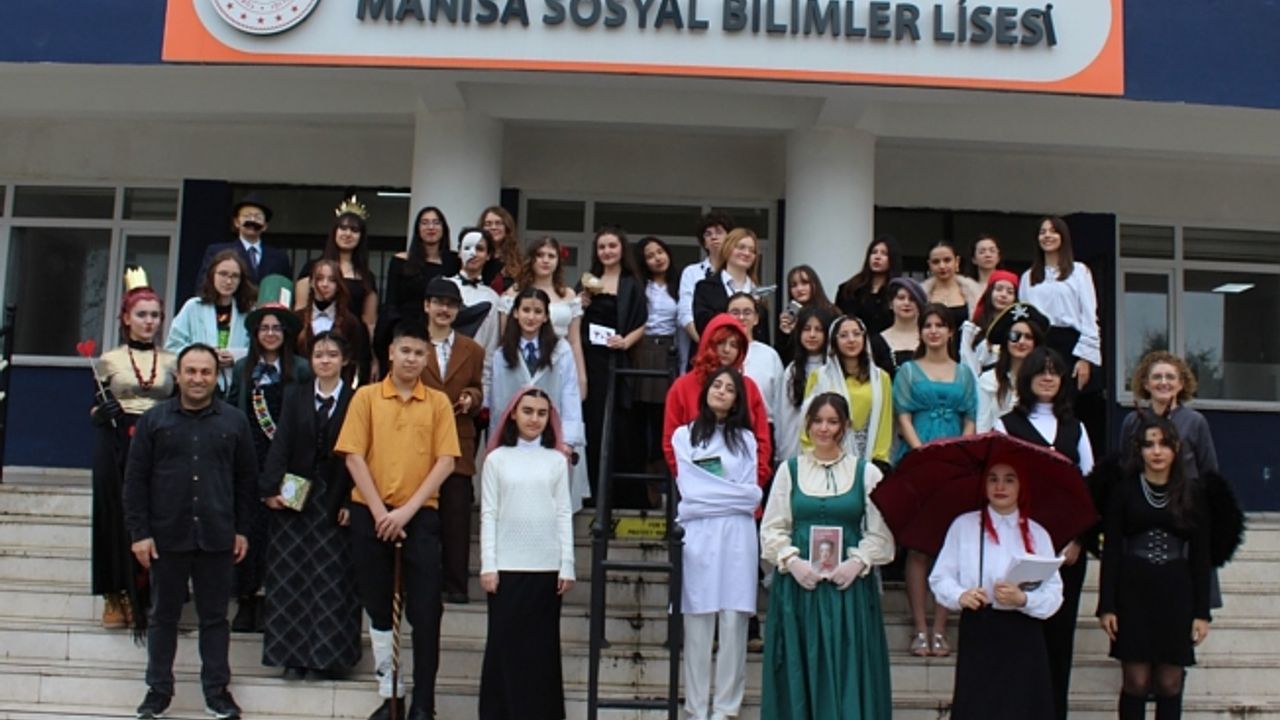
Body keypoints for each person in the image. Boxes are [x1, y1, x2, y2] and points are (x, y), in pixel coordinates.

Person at [335, 321, 461, 720]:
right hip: (371, 513)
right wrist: (380, 513)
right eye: (405, 351)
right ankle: (392, 693)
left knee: (426, 612)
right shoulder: (367, 397)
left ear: (427, 359)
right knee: (378, 608)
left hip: (419, 515)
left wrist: (406, 511)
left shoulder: (438, 403)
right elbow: (353, 456)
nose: (411, 359)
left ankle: (424, 703)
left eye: (419, 353)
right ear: (391, 352)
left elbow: (446, 462)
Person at [123, 344, 256, 720]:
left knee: (215, 618)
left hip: (217, 535)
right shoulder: (154, 421)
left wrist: (243, 530)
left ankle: (217, 693)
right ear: (178, 375)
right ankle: (158, 692)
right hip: (166, 536)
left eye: (206, 372)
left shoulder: (234, 422)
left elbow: (246, 481)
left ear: (216, 377)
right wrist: (139, 533)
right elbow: (135, 481)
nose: (198, 379)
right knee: (163, 616)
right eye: (191, 371)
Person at [759, 392, 894, 720]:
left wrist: (857, 562)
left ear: (845, 426)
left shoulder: (866, 473)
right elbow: (772, 527)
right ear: (807, 425)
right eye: (818, 421)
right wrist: (792, 561)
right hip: (798, 589)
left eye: (832, 422)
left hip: (848, 592)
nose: (824, 428)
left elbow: (881, 534)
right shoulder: (790, 470)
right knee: (799, 663)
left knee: (848, 664)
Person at [994, 347, 1094, 720]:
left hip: (1066, 549)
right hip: (1019, 546)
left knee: (1059, 641)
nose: (1048, 378)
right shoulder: (1006, 425)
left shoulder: (1076, 428)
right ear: (1027, 378)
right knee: (1019, 639)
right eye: (1041, 371)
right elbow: (998, 486)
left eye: (1055, 372)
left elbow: (1089, 488)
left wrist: (1078, 540)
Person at [259, 331, 362, 679]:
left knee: (332, 578)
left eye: (332, 354)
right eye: (319, 355)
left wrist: (352, 499)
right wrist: (270, 488)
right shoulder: (296, 395)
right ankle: (292, 656)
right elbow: (282, 442)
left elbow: (364, 453)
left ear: (344, 360)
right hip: (296, 490)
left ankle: (327, 659)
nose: (325, 360)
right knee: (290, 575)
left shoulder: (358, 399)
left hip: (336, 495)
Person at [929, 458, 1064, 720]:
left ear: (1021, 486)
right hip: (980, 627)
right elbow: (940, 577)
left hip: (1023, 631)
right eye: (993, 479)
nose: (1000, 486)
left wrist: (1023, 599)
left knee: (1022, 705)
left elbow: (1054, 592)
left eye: (1009, 480)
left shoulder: (1037, 533)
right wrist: (961, 595)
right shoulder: (964, 526)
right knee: (978, 705)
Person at [1098, 416, 1211, 720]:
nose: (1157, 451)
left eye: (1163, 444)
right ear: (1139, 450)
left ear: (1176, 448)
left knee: (1170, 682)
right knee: (1136, 681)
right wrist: (1107, 605)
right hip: (1133, 589)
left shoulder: (1192, 493)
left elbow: (1201, 556)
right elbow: (1111, 550)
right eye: (1149, 445)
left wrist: (1202, 612)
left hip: (1176, 590)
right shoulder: (1123, 491)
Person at [478, 388, 575, 720]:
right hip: (506, 569)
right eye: (528, 411)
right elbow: (489, 513)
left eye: (542, 413)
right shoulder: (496, 460)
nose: (534, 419)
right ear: (513, 414)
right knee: (503, 650)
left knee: (541, 652)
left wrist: (567, 564)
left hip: (546, 568)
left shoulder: (557, 461)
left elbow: (563, 512)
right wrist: (488, 564)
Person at [672, 368, 762, 720]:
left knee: (734, 620)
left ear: (738, 399)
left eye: (729, 388)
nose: (721, 391)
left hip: (738, 535)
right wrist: (732, 494)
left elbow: (751, 495)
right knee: (697, 621)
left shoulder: (746, 440)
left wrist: (719, 495)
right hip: (698, 534)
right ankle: (696, 707)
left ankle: (726, 707)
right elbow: (690, 492)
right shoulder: (684, 436)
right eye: (717, 385)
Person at [92, 270, 177, 631]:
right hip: (116, 441)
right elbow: (92, 406)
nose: (149, 322)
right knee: (113, 512)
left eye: (155, 315)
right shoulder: (109, 359)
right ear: (126, 318)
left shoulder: (172, 361)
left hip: (159, 440)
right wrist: (101, 413)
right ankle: (114, 593)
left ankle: (150, 593)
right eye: (142, 314)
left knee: (157, 513)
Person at [226, 275, 311, 633]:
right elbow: (232, 411)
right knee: (249, 529)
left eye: (277, 328)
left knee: (284, 533)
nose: (271, 333)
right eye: (265, 328)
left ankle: (276, 603)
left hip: (290, 464)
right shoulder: (243, 370)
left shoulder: (301, 369)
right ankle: (246, 601)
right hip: (251, 462)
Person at [894, 303, 978, 657]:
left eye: (939, 325)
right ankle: (920, 627)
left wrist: (958, 454)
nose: (933, 331)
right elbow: (903, 416)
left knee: (949, 546)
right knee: (918, 546)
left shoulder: (964, 374)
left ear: (950, 332)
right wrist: (922, 453)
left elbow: (970, 417)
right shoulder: (908, 371)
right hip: (918, 463)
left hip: (955, 467)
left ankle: (941, 628)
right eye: (927, 325)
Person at [419, 278, 487, 604]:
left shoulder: (472, 349)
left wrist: (471, 398)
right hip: (418, 442)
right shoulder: (413, 344)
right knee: (421, 518)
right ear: (427, 306)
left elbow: (478, 388)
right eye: (438, 303)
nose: (444, 309)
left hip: (459, 441)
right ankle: (420, 584)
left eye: (451, 305)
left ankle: (456, 586)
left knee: (456, 517)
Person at [491, 287, 587, 511]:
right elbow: (498, 401)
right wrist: (497, 439)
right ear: (516, 313)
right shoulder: (502, 354)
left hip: (551, 434)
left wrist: (568, 441)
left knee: (550, 499)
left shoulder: (561, 350)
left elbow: (570, 394)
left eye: (537, 311)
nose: (531, 317)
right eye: (526, 310)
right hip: (514, 435)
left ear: (546, 316)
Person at [578, 227, 648, 506]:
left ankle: (622, 496)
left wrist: (625, 341)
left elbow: (642, 321)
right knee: (593, 423)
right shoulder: (587, 281)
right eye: (602, 247)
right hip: (591, 360)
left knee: (620, 425)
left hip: (618, 359)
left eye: (612, 246)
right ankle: (593, 492)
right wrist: (580, 304)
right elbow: (575, 321)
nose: (607, 251)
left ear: (622, 249)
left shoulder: (632, 283)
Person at [1018, 216, 1103, 446]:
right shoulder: (1028, 277)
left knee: (1068, 405)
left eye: (1053, 231)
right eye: (1042, 232)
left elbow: (1089, 315)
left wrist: (1085, 357)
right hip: (1040, 343)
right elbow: (1024, 318)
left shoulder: (1079, 272)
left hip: (1071, 345)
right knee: (1038, 402)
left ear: (1063, 237)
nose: (1047, 236)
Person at [499, 235, 587, 398]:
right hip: (522, 365)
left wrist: (581, 377)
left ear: (558, 261)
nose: (545, 260)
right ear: (531, 259)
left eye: (551, 256)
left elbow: (574, 341)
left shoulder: (568, 295)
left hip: (559, 363)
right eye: (540, 255)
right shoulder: (514, 292)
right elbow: (504, 338)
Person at [802, 315, 893, 466]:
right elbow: (808, 419)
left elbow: (885, 422)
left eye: (856, 334)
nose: (851, 340)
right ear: (834, 341)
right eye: (844, 335)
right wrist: (813, 453)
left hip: (868, 459)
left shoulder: (880, 378)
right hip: (826, 458)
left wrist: (880, 459)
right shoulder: (819, 376)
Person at [377, 206, 459, 371]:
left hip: (440, 331)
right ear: (417, 229)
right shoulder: (401, 261)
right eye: (425, 223)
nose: (431, 227)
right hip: (404, 330)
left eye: (436, 223)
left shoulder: (453, 262)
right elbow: (391, 302)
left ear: (443, 228)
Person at [1119, 351, 1219, 483]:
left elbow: (1210, 473)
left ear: (1181, 384)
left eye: (1170, 377)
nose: (1163, 382)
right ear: (1146, 384)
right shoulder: (1132, 421)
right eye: (1157, 377)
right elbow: (1123, 469)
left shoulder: (1195, 421)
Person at [166, 250, 254, 392]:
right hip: (198, 385)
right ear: (212, 274)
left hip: (235, 387)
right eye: (223, 274)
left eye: (235, 276)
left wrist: (235, 356)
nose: (229, 281)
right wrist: (205, 355)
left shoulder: (248, 312)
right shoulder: (193, 307)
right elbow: (172, 348)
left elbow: (258, 351)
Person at [295, 197, 380, 344]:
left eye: (354, 230)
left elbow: (369, 321)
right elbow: (300, 309)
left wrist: (372, 353)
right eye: (343, 228)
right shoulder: (311, 267)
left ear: (361, 237)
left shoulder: (366, 276)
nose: (348, 234)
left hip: (354, 343)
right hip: (315, 341)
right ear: (334, 232)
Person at [634, 236, 680, 477]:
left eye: (660, 252)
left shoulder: (679, 284)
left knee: (665, 411)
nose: (657, 258)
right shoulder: (640, 285)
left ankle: (662, 470)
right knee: (642, 413)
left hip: (670, 350)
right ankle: (645, 472)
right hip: (642, 348)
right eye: (650, 256)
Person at [777, 305, 837, 464]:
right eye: (807, 329)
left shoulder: (834, 368)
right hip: (796, 450)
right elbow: (785, 417)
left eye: (818, 330)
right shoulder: (792, 370)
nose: (812, 335)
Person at [296, 259, 372, 384]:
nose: (325, 284)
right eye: (319, 278)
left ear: (339, 285)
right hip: (302, 390)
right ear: (311, 283)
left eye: (332, 280)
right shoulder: (297, 318)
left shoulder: (351, 322)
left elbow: (355, 362)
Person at [448, 228, 503, 399]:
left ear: (488, 255)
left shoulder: (493, 298)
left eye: (479, 249)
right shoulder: (443, 287)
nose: (473, 253)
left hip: (472, 379)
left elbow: (491, 346)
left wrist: (484, 392)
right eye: (467, 247)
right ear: (459, 252)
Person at [976, 303, 1048, 432]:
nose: (1021, 342)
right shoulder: (989, 379)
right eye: (1015, 336)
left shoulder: (1045, 379)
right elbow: (982, 424)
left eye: (1028, 337)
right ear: (1006, 341)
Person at [693, 227, 769, 345]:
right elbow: (703, 327)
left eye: (752, 250)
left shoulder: (759, 294)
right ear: (727, 249)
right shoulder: (705, 288)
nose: (747, 253)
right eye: (741, 247)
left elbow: (763, 338)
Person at [677, 210, 734, 370]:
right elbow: (685, 313)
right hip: (701, 345)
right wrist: (705, 342)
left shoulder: (736, 271)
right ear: (704, 242)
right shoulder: (692, 272)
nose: (714, 237)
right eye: (708, 234)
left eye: (719, 232)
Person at [197, 193, 292, 286]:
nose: (252, 220)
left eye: (258, 217)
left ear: (265, 226)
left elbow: (285, 288)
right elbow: (203, 285)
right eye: (247, 216)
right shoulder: (218, 251)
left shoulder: (280, 257)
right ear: (236, 222)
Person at [727, 292, 785, 428]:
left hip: (764, 425)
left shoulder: (770, 355)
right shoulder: (720, 352)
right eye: (735, 312)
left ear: (756, 319)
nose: (741, 317)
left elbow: (780, 402)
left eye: (747, 312)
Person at [921, 240, 982, 357]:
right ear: (929, 264)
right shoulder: (921, 295)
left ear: (957, 261)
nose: (942, 266)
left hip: (966, 357)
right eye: (936, 262)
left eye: (947, 260)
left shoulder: (974, 293)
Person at [835, 235, 903, 334]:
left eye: (884, 254)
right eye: (874, 252)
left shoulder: (898, 291)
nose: (877, 257)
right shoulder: (849, 289)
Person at [959, 269, 1019, 380]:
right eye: (999, 289)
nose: (1003, 295)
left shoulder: (1018, 330)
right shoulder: (971, 328)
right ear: (990, 292)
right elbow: (967, 363)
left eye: (1010, 292)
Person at [775, 264, 837, 358]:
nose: (799, 289)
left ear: (815, 284)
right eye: (794, 285)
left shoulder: (831, 313)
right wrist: (785, 334)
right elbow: (781, 357)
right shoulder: (788, 317)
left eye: (804, 283)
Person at [873, 276, 927, 379]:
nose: (906, 303)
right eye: (901, 298)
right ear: (890, 304)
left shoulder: (930, 337)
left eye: (912, 299)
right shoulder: (877, 342)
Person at [478, 205, 522, 293]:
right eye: (488, 224)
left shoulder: (518, 259)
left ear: (507, 227)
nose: (493, 227)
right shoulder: (475, 256)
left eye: (498, 223)